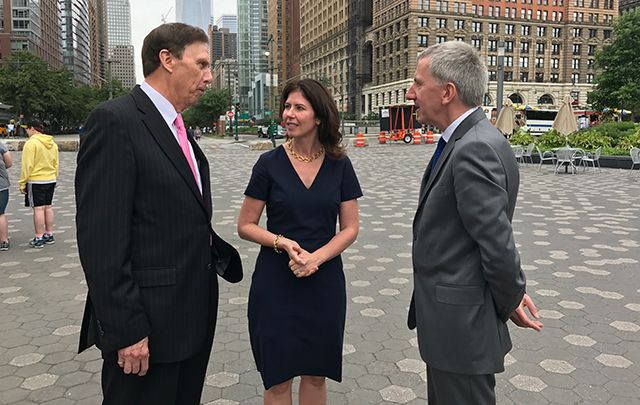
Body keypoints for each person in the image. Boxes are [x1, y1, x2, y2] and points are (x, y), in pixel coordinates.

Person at [75, 23, 242, 405]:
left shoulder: (179, 128)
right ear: (167, 60)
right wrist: (126, 331)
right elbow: (101, 241)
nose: (209, 76)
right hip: (145, 330)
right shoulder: (116, 121)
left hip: (189, 318)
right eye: (201, 64)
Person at [405, 41, 543, 405]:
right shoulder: (471, 139)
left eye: (419, 84)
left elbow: (497, 243)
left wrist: (510, 296)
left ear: (447, 92)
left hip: (461, 327)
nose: (410, 92)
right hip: (454, 325)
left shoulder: (473, 147)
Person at [237, 78, 362, 405]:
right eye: (287, 107)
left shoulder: (339, 165)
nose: (288, 114)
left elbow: (350, 228)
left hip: (324, 282)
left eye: (299, 108)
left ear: (318, 116)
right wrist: (282, 242)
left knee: (316, 373)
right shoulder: (268, 165)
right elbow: (245, 225)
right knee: (278, 378)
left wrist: (316, 258)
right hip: (276, 282)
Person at [18, 118, 58, 248]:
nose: (27, 132)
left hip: (36, 180)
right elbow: (56, 163)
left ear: (32, 128)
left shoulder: (31, 144)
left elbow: (27, 165)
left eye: (27, 129)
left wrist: (22, 182)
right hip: (51, 178)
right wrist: (54, 176)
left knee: (38, 209)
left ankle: (39, 237)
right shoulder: (52, 143)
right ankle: (49, 234)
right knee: (48, 207)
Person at [0, 139, 12, 251]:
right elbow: (9, 163)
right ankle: (4, 241)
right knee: (0, 213)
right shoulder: (1, 145)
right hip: (1, 185)